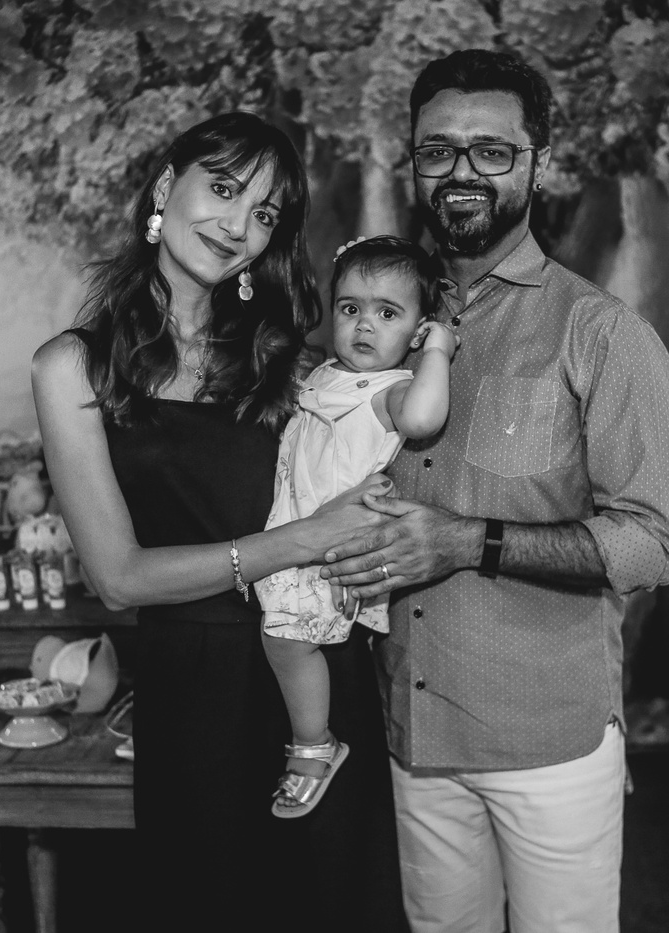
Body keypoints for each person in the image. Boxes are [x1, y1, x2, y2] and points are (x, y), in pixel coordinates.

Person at [322, 50, 669, 933]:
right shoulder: (375, 325)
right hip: (414, 731)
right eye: (438, 150)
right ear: (412, 164)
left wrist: (464, 538)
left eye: (491, 151)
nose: (462, 172)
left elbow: (652, 543)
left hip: (546, 741)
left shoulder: (600, 332)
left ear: (538, 163)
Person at [32, 111, 407, 932]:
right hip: (194, 694)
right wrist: (299, 540)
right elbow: (118, 576)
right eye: (225, 188)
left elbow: (374, 473)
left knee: (335, 906)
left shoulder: (290, 361)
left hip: (317, 684)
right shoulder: (73, 367)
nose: (238, 225)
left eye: (264, 213)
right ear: (168, 187)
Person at [257, 235, 457, 818]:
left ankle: (315, 744)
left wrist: (438, 351)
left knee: (285, 640)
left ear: (417, 331)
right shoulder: (325, 373)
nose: (364, 325)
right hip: (298, 536)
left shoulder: (393, 391)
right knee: (282, 637)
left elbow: (423, 419)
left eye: (388, 314)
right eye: (350, 308)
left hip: (332, 548)